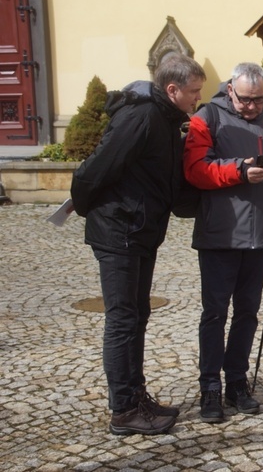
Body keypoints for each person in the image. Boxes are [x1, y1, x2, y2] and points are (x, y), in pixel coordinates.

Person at [70, 54, 206, 435]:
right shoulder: (141, 117)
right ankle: (124, 410)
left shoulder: (168, 120)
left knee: (137, 315)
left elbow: (168, 183)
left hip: (141, 231)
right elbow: (96, 168)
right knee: (123, 319)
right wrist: (84, 205)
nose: (198, 99)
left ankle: (135, 396)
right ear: (172, 89)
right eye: (193, 92)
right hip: (120, 230)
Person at [183, 62, 263, 422]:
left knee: (248, 314)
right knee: (215, 314)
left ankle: (237, 382)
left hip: (261, 236)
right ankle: (210, 387)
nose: (252, 106)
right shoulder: (207, 118)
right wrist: (239, 170)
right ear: (230, 91)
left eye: (259, 99)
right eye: (245, 99)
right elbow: (195, 170)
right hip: (220, 234)